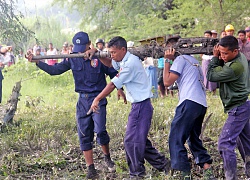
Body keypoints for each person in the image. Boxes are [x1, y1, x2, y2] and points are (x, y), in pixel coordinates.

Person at [26, 31, 125, 179]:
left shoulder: (98, 58)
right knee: (84, 134)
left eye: (83, 48)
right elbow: (55, 70)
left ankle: (107, 158)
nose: (79, 51)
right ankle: (91, 168)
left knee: (100, 130)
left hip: (98, 98)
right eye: (76, 48)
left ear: (89, 44)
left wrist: (119, 88)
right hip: (83, 101)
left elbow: (112, 71)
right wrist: (37, 62)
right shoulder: (72, 58)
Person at [89, 36, 171, 179]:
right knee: (140, 141)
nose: (112, 55)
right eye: (110, 52)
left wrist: (97, 98)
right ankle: (165, 165)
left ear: (123, 49)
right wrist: (97, 53)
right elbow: (110, 64)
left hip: (141, 106)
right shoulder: (123, 60)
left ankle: (137, 174)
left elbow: (113, 84)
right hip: (139, 105)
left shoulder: (130, 63)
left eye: (114, 52)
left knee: (131, 141)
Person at [163, 38, 216, 179]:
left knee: (176, 136)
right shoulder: (194, 61)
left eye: (168, 48)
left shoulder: (180, 60)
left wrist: (167, 61)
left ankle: (184, 174)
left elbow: (167, 82)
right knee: (193, 138)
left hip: (189, 101)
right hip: (201, 104)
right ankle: (207, 169)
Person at [207, 35, 250, 180]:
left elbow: (211, 75)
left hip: (238, 108)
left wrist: (214, 58)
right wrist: (220, 54)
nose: (222, 56)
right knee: (245, 142)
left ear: (235, 51)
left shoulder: (235, 67)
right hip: (242, 105)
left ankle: (231, 177)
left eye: (225, 53)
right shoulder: (240, 57)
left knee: (225, 144)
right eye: (220, 53)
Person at [201, 30, 217, 95]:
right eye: (205, 35)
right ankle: (206, 91)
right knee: (205, 75)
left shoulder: (214, 42)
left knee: (213, 74)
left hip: (212, 59)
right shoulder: (202, 43)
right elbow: (200, 52)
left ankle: (214, 91)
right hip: (205, 59)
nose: (207, 37)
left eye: (208, 35)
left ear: (211, 36)